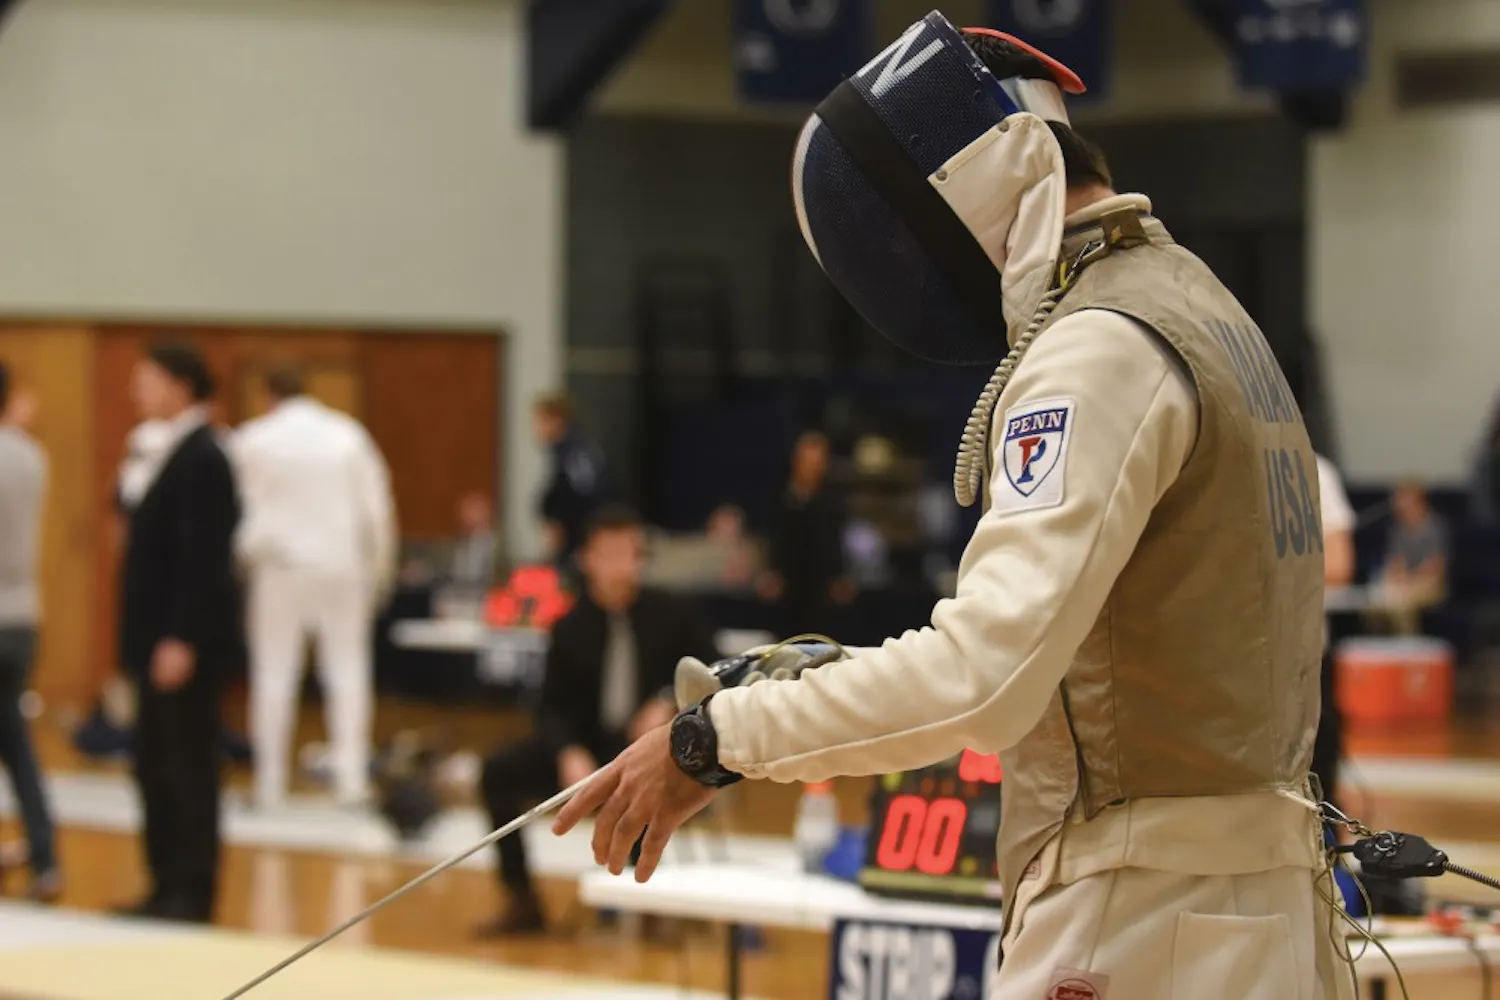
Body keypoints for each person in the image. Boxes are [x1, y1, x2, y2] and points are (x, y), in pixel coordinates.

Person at [556, 19, 1354, 1000]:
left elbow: (984, 680)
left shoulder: (1099, 346)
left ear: (992, 180)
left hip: (1140, 920)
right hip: (1261, 913)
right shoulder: (1207, 311)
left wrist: (713, 741)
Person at [477, 505, 715, 936]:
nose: (620, 566)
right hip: (589, 749)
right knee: (498, 772)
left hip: (657, 748)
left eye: (629, 554)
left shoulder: (674, 614)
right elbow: (548, 708)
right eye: (609, 554)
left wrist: (669, 702)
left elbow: (715, 671)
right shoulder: (568, 627)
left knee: (653, 776)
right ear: (587, 559)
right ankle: (522, 900)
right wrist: (568, 751)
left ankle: (648, 899)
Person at [230, 364, 396, 810]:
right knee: (347, 673)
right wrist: (379, 574)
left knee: (274, 673)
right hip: (343, 565)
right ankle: (350, 779)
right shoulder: (348, 436)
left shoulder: (254, 439)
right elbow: (377, 509)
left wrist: (242, 561)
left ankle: (269, 784)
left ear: (268, 396)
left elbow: (237, 510)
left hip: (279, 566)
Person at [116, 341, 241, 923]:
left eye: (149, 380)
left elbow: (203, 558)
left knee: (187, 762)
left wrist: (182, 637)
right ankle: (163, 882)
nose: (138, 392)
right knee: (153, 761)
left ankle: (191, 890)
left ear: (182, 386)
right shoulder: (159, 449)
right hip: (154, 636)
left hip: (181, 640)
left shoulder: (204, 456)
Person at [0, 365, 60, 901]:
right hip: (22, 616)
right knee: (15, 740)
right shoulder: (31, 455)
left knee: (14, 738)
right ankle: (44, 856)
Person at [760, 431, 853, 635]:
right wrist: (769, 572)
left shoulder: (833, 501)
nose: (813, 467)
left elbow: (837, 541)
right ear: (797, 461)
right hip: (787, 586)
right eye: (809, 460)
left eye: (819, 461)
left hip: (822, 588)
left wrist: (841, 576)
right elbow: (772, 539)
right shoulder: (780, 499)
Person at [1313, 454, 1356, 809]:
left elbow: (1339, 564)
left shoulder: (1315, 470)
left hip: (1304, 653)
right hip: (1230, 656)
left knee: (1319, 773)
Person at [532, 393, 606, 568]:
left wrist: (558, 519)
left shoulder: (576, 451)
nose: (536, 428)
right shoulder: (563, 451)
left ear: (556, 419)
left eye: (540, 421)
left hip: (579, 537)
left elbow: (586, 494)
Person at [1376, 481, 1448, 635]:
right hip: (1404, 583)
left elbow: (1435, 567)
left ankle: (1409, 650)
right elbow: (1396, 561)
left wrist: (1409, 582)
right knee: (1374, 607)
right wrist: (1397, 578)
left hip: (1429, 583)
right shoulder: (1397, 529)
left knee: (1401, 608)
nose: (1397, 504)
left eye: (1402, 499)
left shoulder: (1434, 527)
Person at [448, 491, 500, 594]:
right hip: (461, 596)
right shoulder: (460, 543)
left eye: (473, 510)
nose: (465, 515)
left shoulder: (496, 545)